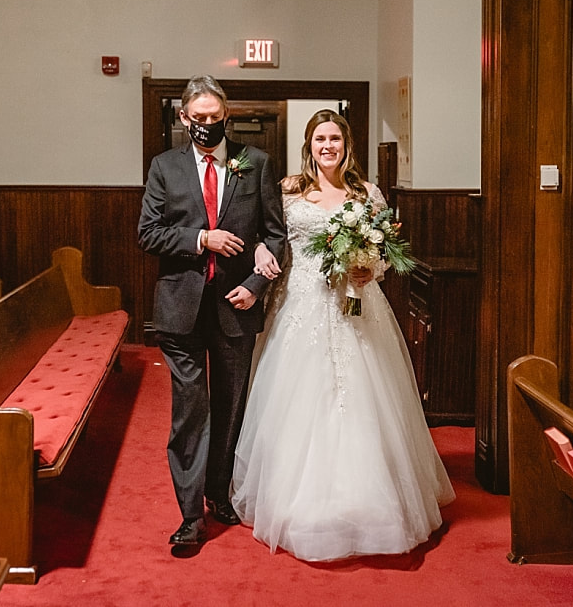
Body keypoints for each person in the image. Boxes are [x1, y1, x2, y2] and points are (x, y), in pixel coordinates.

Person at [230, 109, 455, 562]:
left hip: (357, 305)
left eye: (334, 138)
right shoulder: (290, 191)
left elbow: (385, 255)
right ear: (309, 146)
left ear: (346, 144)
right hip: (301, 304)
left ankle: (371, 500)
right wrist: (257, 248)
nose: (327, 146)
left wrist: (369, 268)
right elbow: (267, 235)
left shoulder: (366, 193)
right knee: (299, 401)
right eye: (319, 139)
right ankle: (297, 502)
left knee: (365, 400)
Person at [138, 75, 287, 550]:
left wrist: (255, 285)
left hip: (234, 307)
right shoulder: (165, 167)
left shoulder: (255, 163)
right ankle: (189, 516)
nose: (206, 125)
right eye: (197, 118)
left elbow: (276, 234)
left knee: (230, 407)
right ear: (184, 118)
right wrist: (201, 239)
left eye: (214, 118)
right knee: (190, 411)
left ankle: (220, 494)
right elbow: (149, 233)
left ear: (227, 116)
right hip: (180, 308)